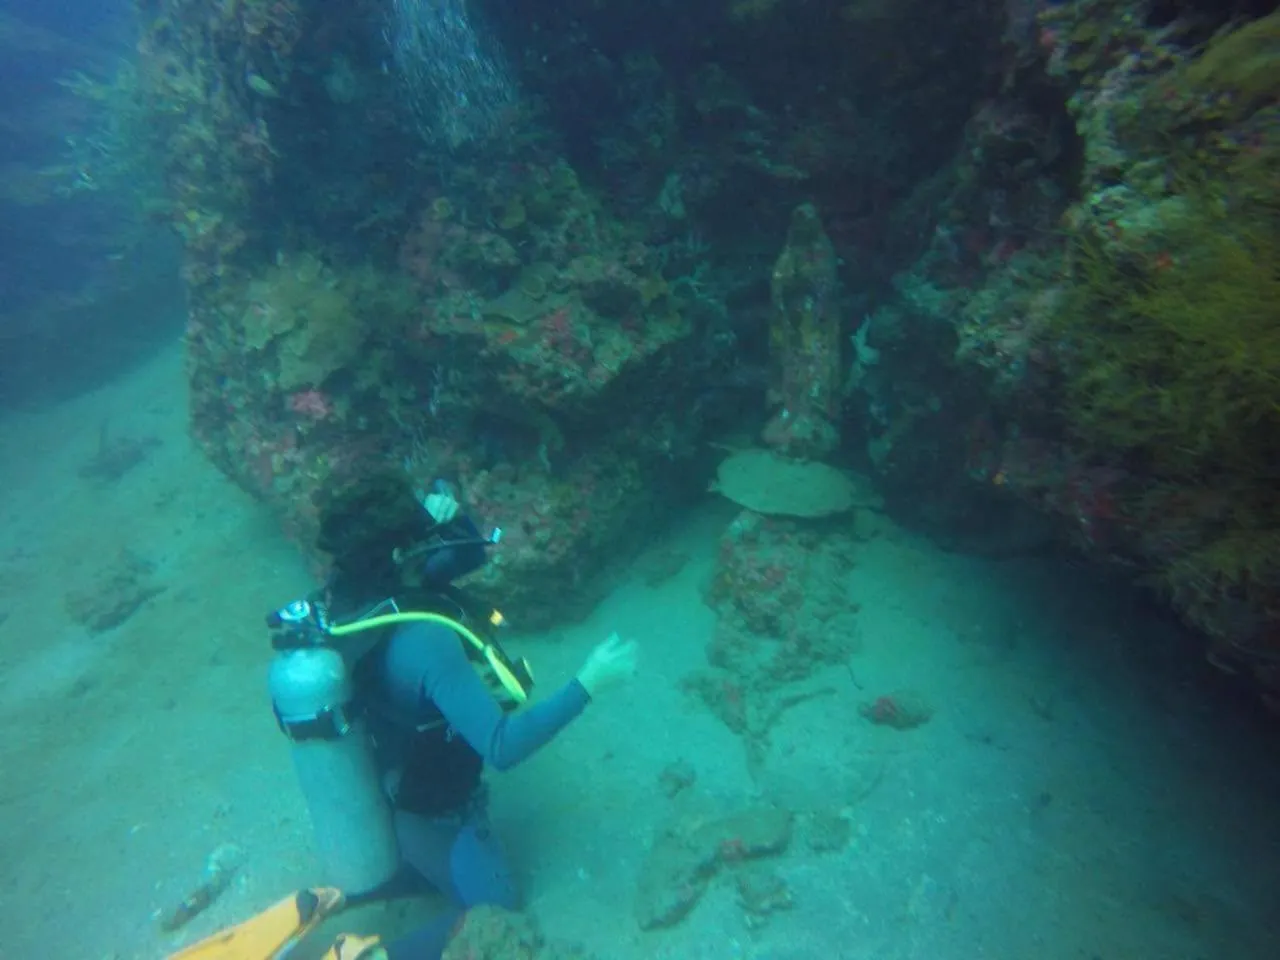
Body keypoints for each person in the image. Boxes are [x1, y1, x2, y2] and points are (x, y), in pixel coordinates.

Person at [318, 472, 639, 960]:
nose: (427, 528)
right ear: (400, 551)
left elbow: (467, 553)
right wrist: (589, 683)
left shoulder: (358, 597)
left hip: (393, 782)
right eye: (417, 525)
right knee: (497, 913)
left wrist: (451, 513)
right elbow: (502, 747)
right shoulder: (424, 642)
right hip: (434, 815)